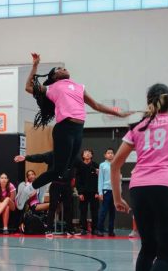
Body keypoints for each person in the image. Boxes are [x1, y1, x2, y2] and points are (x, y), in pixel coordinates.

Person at [15, 52, 131, 210]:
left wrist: (117, 112)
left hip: (78, 130)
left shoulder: (79, 87)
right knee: (57, 170)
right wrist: (35, 65)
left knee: (62, 170)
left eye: (64, 67)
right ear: (55, 76)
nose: (63, 68)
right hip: (64, 128)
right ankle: (28, 190)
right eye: (59, 68)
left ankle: (38, 186)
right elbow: (28, 87)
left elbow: (96, 105)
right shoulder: (52, 87)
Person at [110, 83, 168, 271]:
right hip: (165, 187)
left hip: (138, 189)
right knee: (167, 253)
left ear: (148, 102)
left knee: (148, 248)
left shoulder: (138, 127)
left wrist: (117, 198)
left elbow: (115, 165)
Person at [14, 152, 76, 236]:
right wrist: (26, 157)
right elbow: (40, 157)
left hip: (65, 185)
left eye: (33, 174)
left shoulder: (71, 156)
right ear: (27, 177)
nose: (31, 176)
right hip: (35, 204)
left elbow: (80, 166)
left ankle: (69, 229)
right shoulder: (26, 184)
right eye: (29, 175)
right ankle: (49, 229)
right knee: (52, 205)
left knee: (67, 206)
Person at [75, 149, 99, 235]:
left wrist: (97, 192)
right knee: (83, 211)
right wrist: (80, 192)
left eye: (89, 153)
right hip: (83, 192)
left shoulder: (96, 165)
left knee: (95, 211)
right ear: (83, 155)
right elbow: (77, 181)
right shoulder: (79, 166)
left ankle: (95, 229)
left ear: (92, 155)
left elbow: (98, 180)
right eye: (86, 152)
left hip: (94, 192)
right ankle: (83, 229)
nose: (88, 154)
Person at [97, 148, 116, 237]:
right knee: (104, 211)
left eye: (112, 153)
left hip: (115, 191)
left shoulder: (116, 164)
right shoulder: (102, 165)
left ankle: (111, 230)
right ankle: (100, 229)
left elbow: (118, 178)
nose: (110, 154)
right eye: (108, 153)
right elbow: (100, 179)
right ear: (105, 155)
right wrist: (100, 192)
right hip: (106, 190)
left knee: (113, 212)